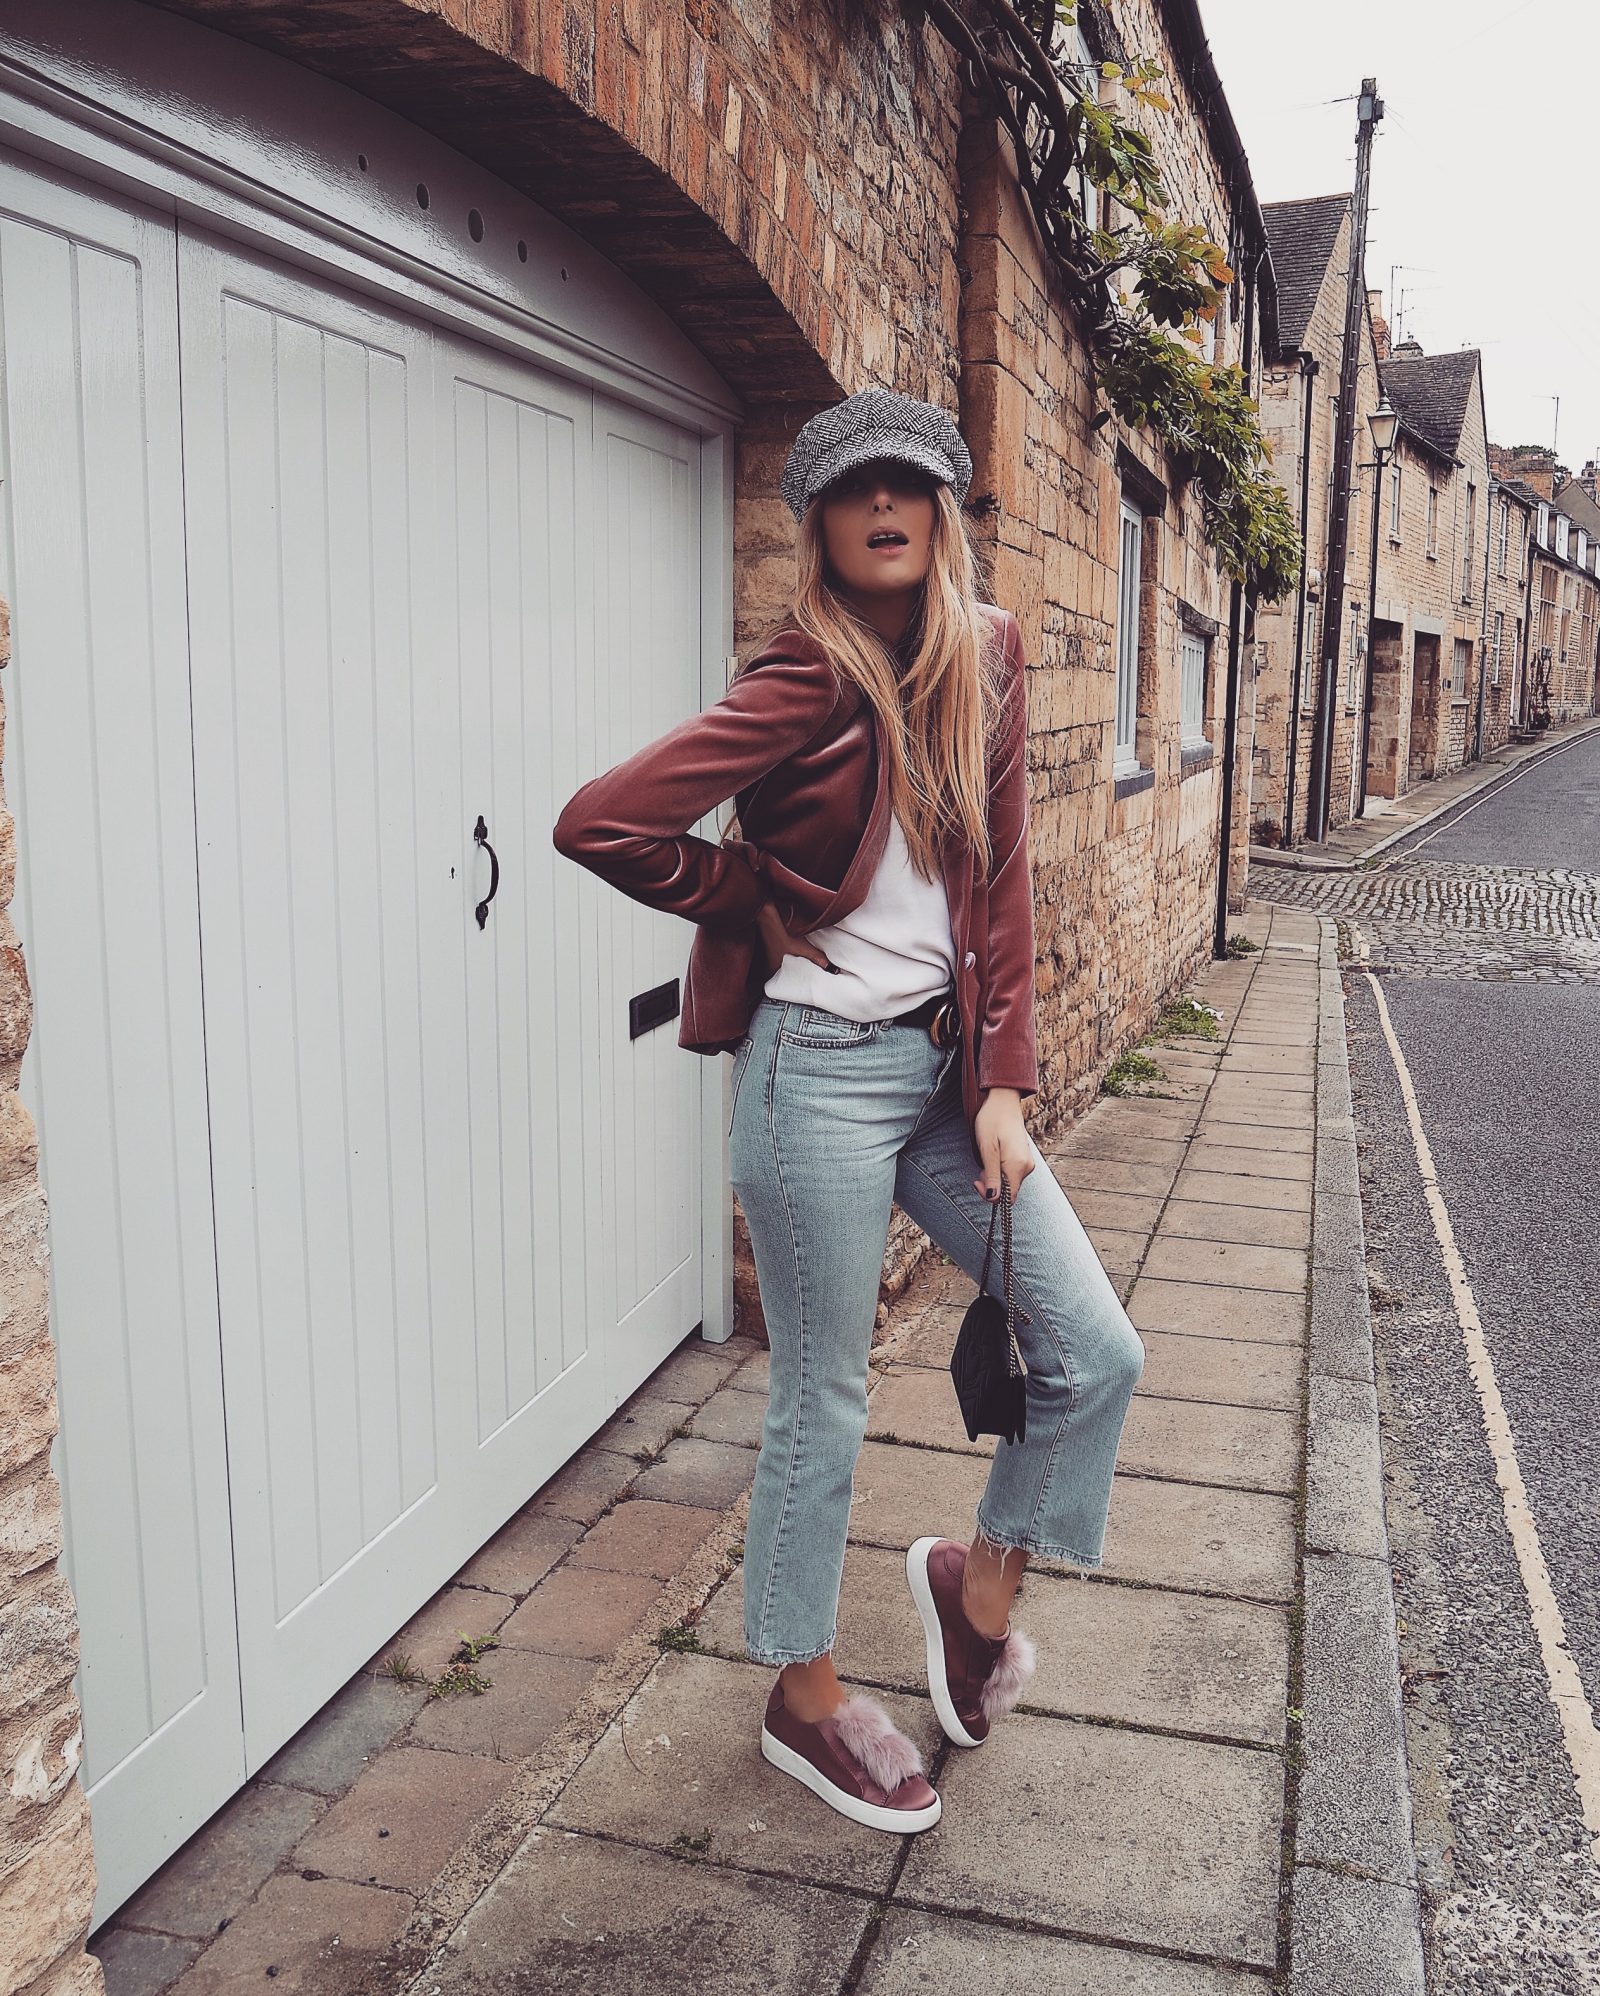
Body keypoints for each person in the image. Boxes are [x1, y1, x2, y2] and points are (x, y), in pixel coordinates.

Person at [552, 385, 1144, 1835]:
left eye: (910, 483)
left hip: (943, 1076)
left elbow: (999, 879)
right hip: (808, 1071)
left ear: (943, 513)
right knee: (823, 1392)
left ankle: (975, 1583)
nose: (883, 504)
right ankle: (803, 1700)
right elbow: (602, 821)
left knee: (1094, 1348)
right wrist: (748, 895)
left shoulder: (988, 656)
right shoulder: (801, 677)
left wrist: (1005, 1081)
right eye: (851, 487)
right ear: (816, 524)